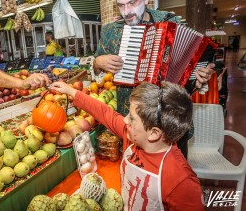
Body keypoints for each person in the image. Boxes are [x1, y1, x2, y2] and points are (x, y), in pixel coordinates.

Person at [91, 0, 215, 158]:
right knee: (136, 175)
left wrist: (199, 78)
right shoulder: (110, 32)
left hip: (171, 119)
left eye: (132, 3)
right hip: (134, 124)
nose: (127, 12)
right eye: (121, 5)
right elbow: (96, 68)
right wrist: (97, 63)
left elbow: (188, 75)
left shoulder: (170, 23)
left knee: (173, 176)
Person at [51, 81, 204, 211]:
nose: (125, 120)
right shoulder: (134, 138)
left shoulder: (182, 182)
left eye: (132, 118)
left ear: (154, 133)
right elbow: (106, 113)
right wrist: (72, 92)